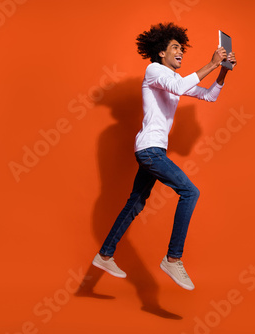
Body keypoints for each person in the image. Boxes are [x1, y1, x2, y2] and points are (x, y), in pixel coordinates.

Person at [92, 22, 237, 290]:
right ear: (161, 52)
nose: (180, 52)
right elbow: (181, 87)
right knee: (190, 192)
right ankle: (173, 258)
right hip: (149, 150)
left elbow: (208, 96)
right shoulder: (154, 71)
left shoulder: (170, 78)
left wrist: (223, 73)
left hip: (153, 150)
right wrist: (212, 63)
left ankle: (104, 255)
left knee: (135, 203)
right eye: (175, 48)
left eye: (182, 48)